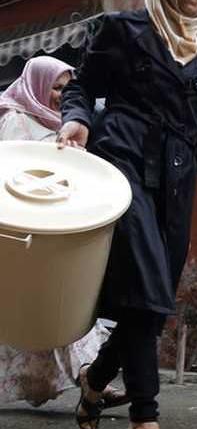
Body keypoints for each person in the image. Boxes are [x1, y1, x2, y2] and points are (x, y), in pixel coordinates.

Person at [57, 0, 197, 428]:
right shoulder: (124, 30)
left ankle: (93, 386)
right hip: (122, 167)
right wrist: (77, 119)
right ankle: (147, 417)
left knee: (152, 306)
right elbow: (81, 85)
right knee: (142, 293)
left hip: (176, 191)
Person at [0, 55, 126, 409]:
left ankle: (91, 380)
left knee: (65, 308)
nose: (59, 95)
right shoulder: (15, 121)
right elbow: (14, 178)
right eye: (54, 87)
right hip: (21, 236)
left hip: (54, 235)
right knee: (29, 315)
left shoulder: (70, 123)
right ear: (36, 85)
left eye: (65, 88)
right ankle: (91, 380)